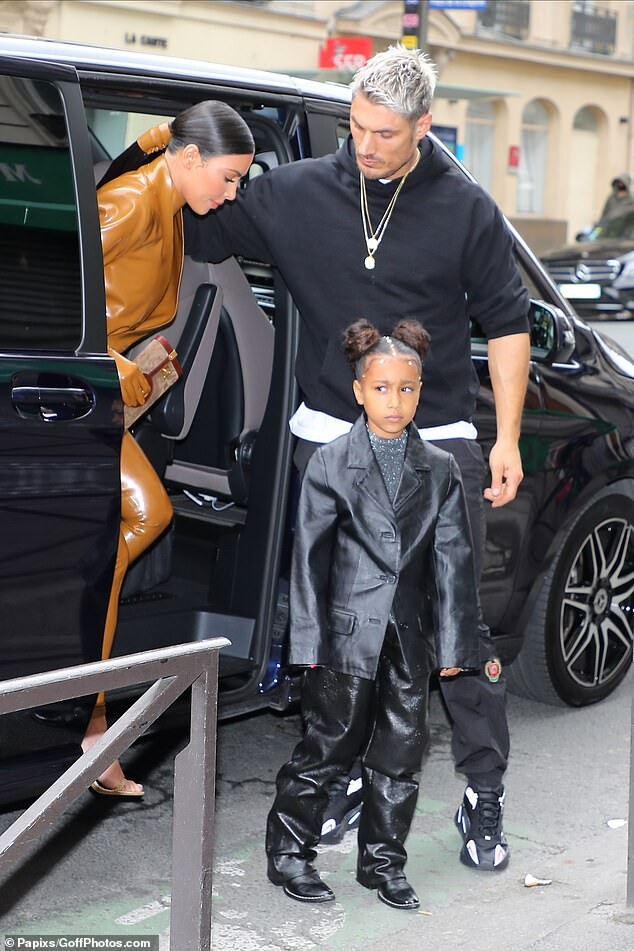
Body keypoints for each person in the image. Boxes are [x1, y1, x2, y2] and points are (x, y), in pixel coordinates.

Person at [185, 44, 530, 870]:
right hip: (329, 446)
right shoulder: (294, 191)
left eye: (385, 133)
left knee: (455, 631)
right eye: (357, 127)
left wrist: (508, 437)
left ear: (424, 126)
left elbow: (508, 324)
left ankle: (483, 791)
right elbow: (197, 220)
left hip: (437, 446)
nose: (366, 146)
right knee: (339, 629)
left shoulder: (466, 208)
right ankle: (339, 775)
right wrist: (164, 164)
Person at [266, 319, 481, 908]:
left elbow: (453, 563)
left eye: (406, 389)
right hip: (344, 636)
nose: (394, 401)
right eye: (381, 388)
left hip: (408, 636)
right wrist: (306, 644)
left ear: (421, 390)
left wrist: (456, 646)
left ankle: (383, 864)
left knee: (401, 752)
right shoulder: (330, 463)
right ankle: (289, 854)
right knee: (327, 747)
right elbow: (308, 563)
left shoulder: (439, 467)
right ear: (359, 390)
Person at [82, 101, 254, 797]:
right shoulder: (128, 204)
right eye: (229, 177)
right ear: (187, 159)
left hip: (100, 396)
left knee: (128, 531)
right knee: (139, 519)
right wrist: (108, 361)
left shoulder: (173, 204)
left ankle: (87, 714)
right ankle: (89, 717)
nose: (232, 193)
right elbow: (48, 296)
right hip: (76, 392)